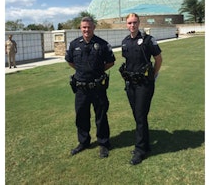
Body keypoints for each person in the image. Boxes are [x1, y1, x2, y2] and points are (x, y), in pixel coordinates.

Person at [65, 17, 115, 158]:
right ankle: (83, 142)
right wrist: (82, 71)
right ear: (80, 28)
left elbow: (111, 62)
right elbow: (70, 61)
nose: (86, 30)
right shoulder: (74, 44)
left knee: (101, 116)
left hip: (98, 87)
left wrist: (97, 71)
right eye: (84, 27)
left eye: (89, 27)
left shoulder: (103, 44)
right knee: (81, 116)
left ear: (94, 27)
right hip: (81, 88)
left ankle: (104, 144)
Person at [119, 13, 162, 165]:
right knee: (138, 116)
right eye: (130, 23)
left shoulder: (148, 40)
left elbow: (158, 58)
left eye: (135, 22)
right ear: (126, 24)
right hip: (130, 85)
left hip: (144, 84)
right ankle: (146, 145)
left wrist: (153, 76)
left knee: (140, 115)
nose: (132, 25)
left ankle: (139, 150)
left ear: (139, 23)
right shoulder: (125, 42)